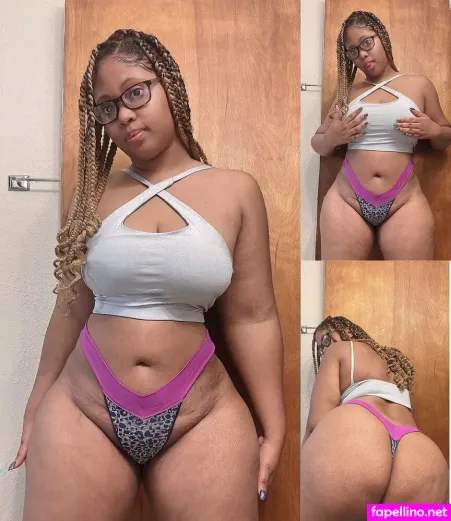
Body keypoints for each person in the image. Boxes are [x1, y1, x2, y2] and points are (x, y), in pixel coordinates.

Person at [10, 29, 286, 521]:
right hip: (83, 409)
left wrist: (275, 423)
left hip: (202, 416)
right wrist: (34, 404)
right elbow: (69, 307)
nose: (124, 115)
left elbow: (253, 317)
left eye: (136, 92)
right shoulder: (92, 194)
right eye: (107, 107)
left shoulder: (236, 190)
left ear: (169, 86)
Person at [311, 11, 451, 260]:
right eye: (353, 51)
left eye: (366, 42)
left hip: (404, 202)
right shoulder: (347, 93)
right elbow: (318, 144)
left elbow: (445, 138)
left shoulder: (419, 85)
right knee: (342, 279)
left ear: (382, 37)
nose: (362, 54)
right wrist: (333, 137)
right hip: (346, 200)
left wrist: (433, 130)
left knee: (414, 278)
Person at [301, 316, 449, 520]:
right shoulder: (395, 363)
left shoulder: (339, 350)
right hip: (421, 456)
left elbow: (316, 423)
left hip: (358, 437)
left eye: (326, 339)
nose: (323, 350)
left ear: (348, 331)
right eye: (319, 347)